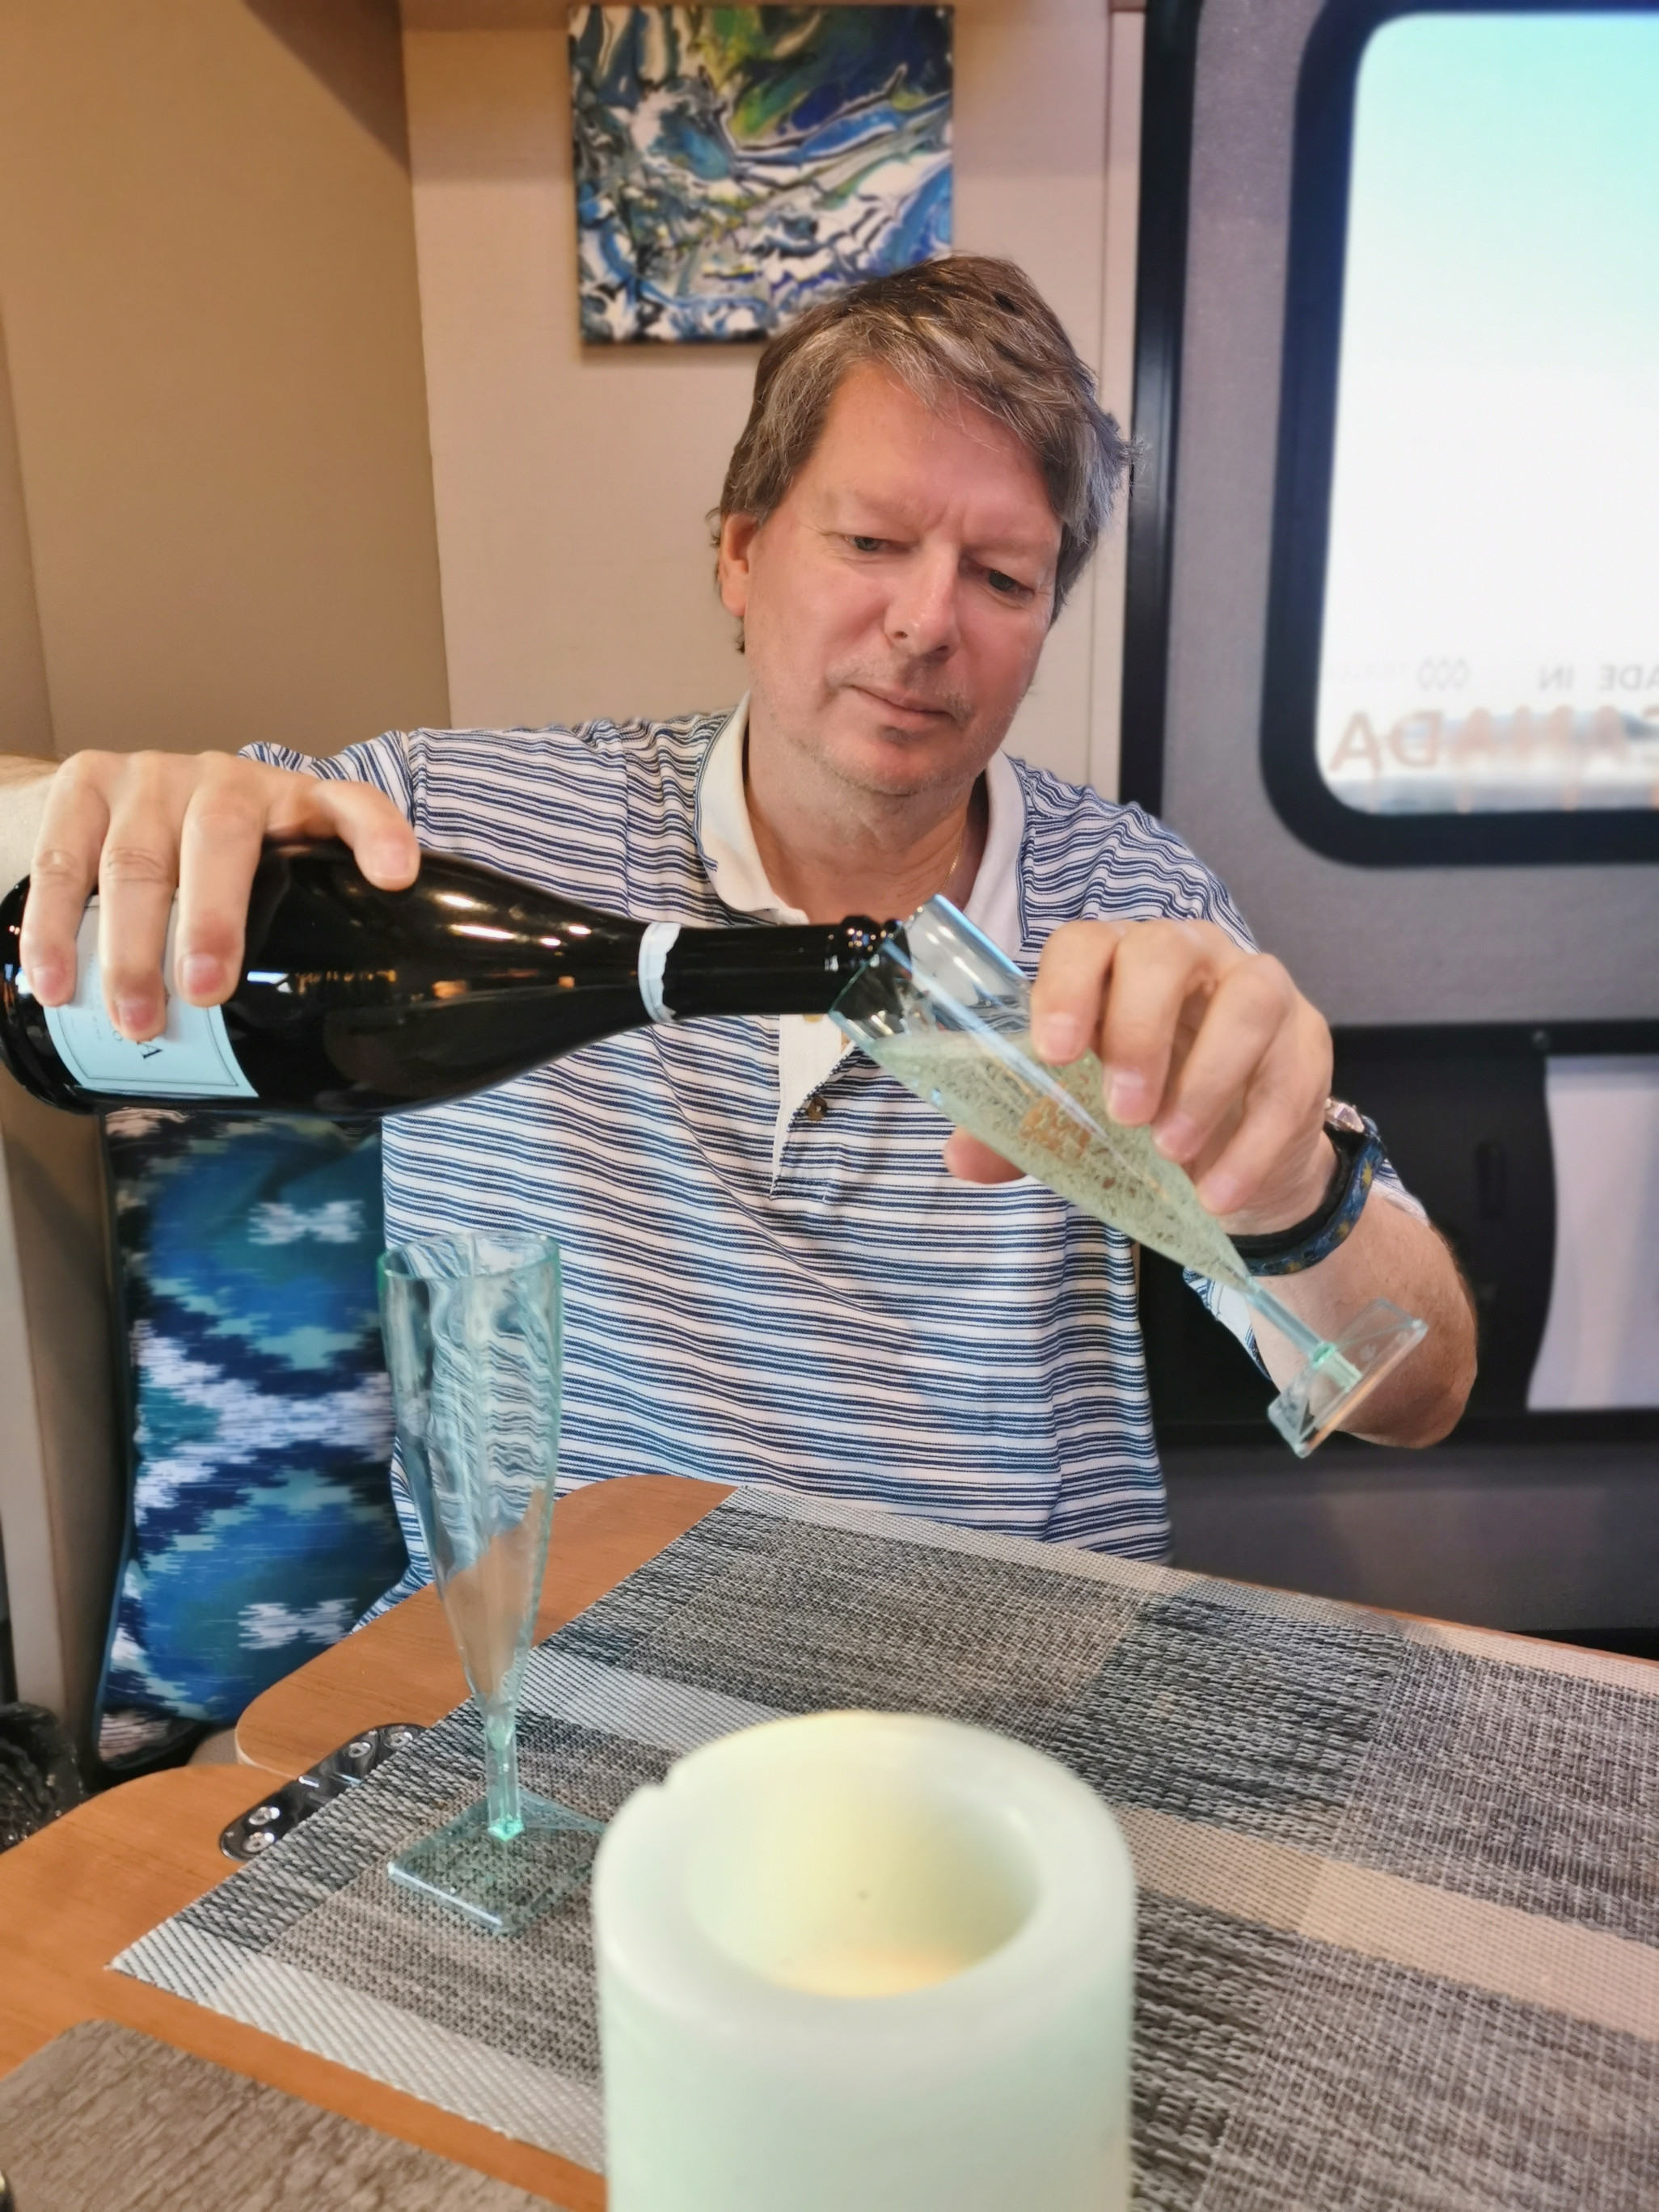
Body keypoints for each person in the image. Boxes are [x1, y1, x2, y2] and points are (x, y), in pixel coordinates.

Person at [1, 256, 1475, 1594]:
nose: (927, 623)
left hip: (1005, 1683)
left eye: (1003, 578)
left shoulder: (1132, 906)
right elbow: (95, 863)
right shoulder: (431, 830)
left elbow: (1417, 1392)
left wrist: (1291, 1186)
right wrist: (107, 819)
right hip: (543, 1682)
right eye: (872, 540)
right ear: (741, 554)